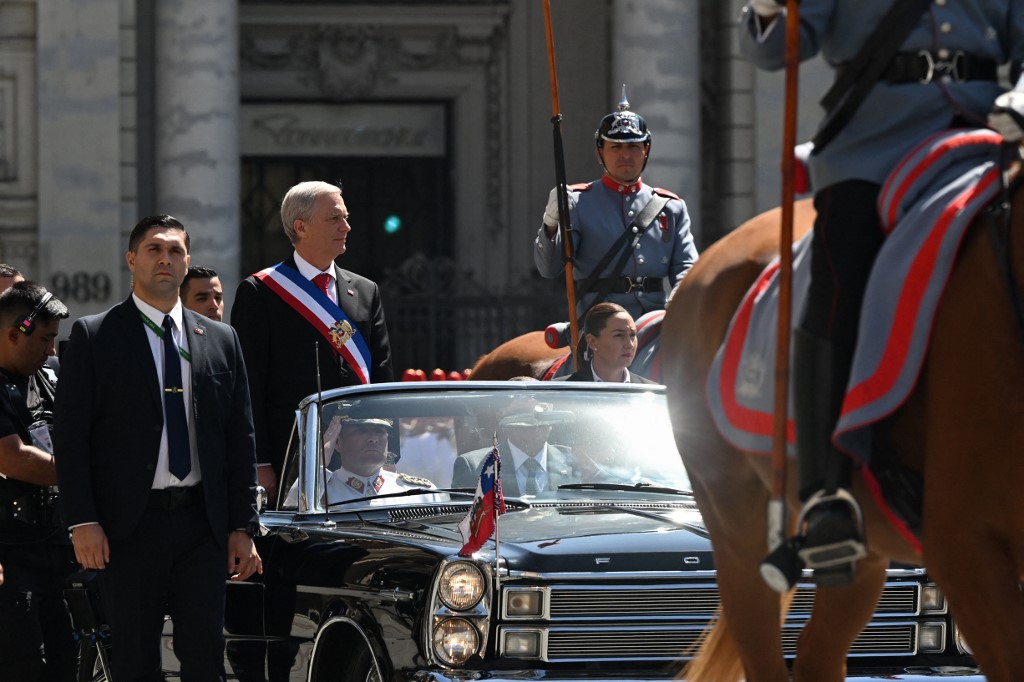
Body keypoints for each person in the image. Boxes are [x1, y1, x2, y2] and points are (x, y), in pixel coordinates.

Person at [739, 0, 1024, 580]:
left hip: (983, 134)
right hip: (874, 148)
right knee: (843, 265)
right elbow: (774, 50)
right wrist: (768, 10)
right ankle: (826, 493)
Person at [53, 214, 262, 680]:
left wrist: (242, 525)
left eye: (174, 251)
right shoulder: (95, 335)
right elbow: (71, 438)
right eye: (154, 249)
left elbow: (239, 438)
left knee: (206, 658)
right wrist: (83, 521)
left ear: (187, 262)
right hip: (128, 528)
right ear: (132, 259)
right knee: (135, 660)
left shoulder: (222, 341)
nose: (164, 259)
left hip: (200, 527)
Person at [232, 181, 394, 504]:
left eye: (345, 217)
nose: (346, 226)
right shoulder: (260, 293)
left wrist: (392, 454)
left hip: (361, 460)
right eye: (335, 218)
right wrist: (260, 462)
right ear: (301, 227)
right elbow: (248, 386)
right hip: (289, 457)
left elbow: (383, 376)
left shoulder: (364, 291)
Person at [533, 90, 699, 321]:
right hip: (600, 324)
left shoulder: (670, 207)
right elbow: (549, 269)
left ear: (646, 150)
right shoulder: (578, 203)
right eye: (616, 147)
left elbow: (686, 267)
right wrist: (550, 225)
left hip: (656, 319)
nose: (626, 155)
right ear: (600, 153)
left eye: (633, 147)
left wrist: (679, 299)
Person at [0, 281, 77, 680]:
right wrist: (87, 470)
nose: (51, 350)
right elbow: (13, 458)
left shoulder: (46, 379)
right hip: (9, 556)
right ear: (14, 334)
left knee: (64, 661)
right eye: (45, 339)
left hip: (54, 550)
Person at [451, 396, 576, 496]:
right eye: (521, 413)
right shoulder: (474, 467)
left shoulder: (575, 461)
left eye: (541, 413)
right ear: (501, 416)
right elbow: (465, 521)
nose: (533, 422)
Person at [559, 302, 655, 383]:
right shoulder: (561, 391)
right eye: (619, 335)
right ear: (592, 342)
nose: (630, 345)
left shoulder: (651, 393)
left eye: (632, 335)